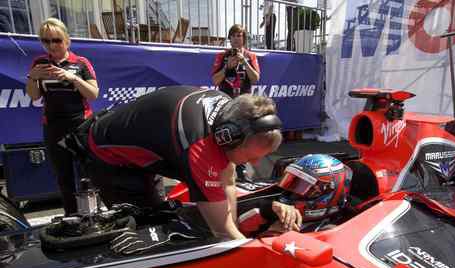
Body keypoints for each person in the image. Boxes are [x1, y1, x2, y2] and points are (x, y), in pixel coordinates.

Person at [65, 86, 301, 240]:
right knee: (149, 233)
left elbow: (227, 179)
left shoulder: (230, 113)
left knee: (166, 215)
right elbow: (222, 232)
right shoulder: (201, 147)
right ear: (227, 137)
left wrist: (240, 222)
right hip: (111, 160)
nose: (255, 163)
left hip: (144, 148)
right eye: (251, 158)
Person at [26, 18, 99, 216]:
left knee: (88, 174)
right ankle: (72, 217)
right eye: (46, 41)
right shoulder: (39, 63)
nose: (52, 45)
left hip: (81, 125)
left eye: (56, 40)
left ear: (67, 41)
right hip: (53, 126)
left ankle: (92, 216)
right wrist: (32, 77)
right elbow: (34, 96)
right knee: (63, 177)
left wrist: (72, 77)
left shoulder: (81, 62)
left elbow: (93, 94)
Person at [238, 154, 352, 237]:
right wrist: (266, 209)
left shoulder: (331, 231)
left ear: (327, 194)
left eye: (303, 187)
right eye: (293, 182)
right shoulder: (275, 210)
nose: (292, 193)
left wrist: (274, 234)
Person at [211, 24, 260, 98]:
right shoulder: (221, 56)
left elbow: (255, 80)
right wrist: (226, 67)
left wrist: (244, 62)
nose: (236, 38)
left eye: (239, 36)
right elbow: (215, 81)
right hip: (225, 99)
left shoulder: (251, 56)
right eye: (233, 36)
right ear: (229, 39)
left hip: (244, 100)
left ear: (244, 39)